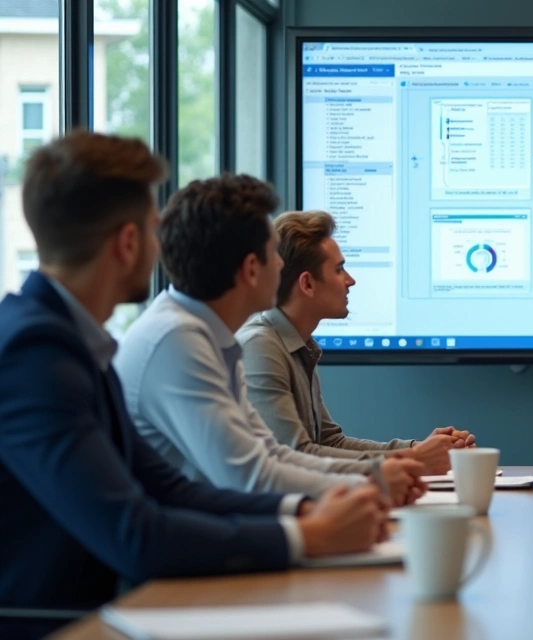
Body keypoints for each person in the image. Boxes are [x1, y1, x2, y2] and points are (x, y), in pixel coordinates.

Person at [0, 132, 386, 638]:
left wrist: (306, 510)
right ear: (128, 242)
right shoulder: (37, 355)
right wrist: (305, 536)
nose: (163, 246)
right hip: (63, 625)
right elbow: (135, 532)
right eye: (154, 228)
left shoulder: (70, 339)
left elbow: (168, 488)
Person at [114, 174, 426, 505]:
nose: (281, 264)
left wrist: (375, 476)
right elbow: (249, 475)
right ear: (251, 269)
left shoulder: (211, 337)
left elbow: (272, 454)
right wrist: (373, 481)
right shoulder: (177, 341)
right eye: (272, 253)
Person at [238, 210, 474, 475]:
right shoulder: (260, 346)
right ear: (307, 284)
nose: (351, 280)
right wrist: (414, 459)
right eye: (339, 269)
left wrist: (420, 449)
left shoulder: (298, 345)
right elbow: (295, 455)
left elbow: (329, 442)